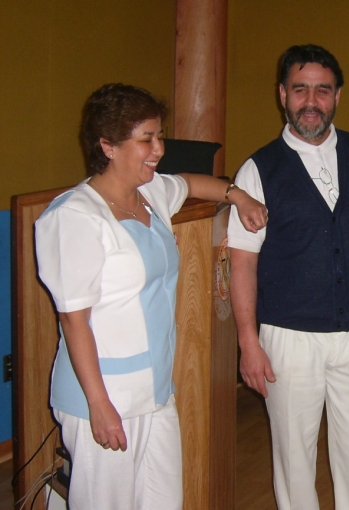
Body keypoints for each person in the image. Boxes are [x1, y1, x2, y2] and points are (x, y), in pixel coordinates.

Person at [35, 83, 267, 510]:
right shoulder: (75, 216)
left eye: (159, 136)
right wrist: (99, 405)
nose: (159, 148)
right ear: (107, 146)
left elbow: (192, 182)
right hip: (103, 396)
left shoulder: (149, 194)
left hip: (155, 391)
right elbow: (73, 320)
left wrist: (239, 195)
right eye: (147, 139)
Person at [228, 44, 349, 510]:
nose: (311, 101)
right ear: (282, 94)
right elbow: (242, 263)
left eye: (322, 90)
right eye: (300, 89)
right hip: (288, 337)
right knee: (293, 458)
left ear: (337, 96)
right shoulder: (258, 169)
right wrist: (248, 340)